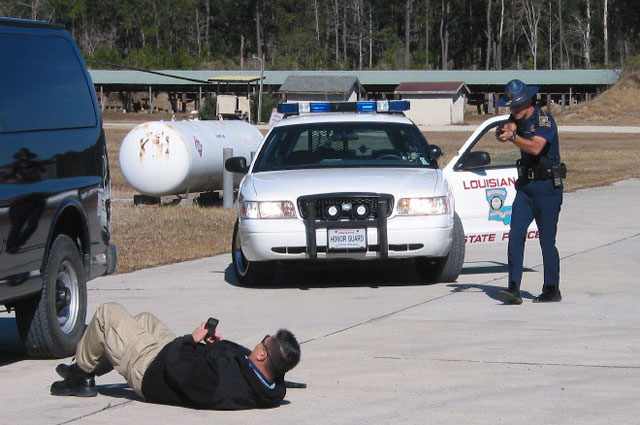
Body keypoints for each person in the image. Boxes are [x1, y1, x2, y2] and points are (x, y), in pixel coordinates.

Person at [50, 303, 301, 410]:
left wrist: (191, 339)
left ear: (261, 356)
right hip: (171, 359)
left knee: (107, 314)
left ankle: (79, 376)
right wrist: (219, 345)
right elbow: (235, 362)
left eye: (263, 341)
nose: (259, 342)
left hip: (150, 370)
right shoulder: (268, 384)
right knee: (144, 320)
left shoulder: (220, 382)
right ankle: (89, 365)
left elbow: (177, 369)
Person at [494, 79, 565, 304]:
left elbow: (535, 147)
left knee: (546, 240)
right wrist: (504, 131)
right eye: (511, 106)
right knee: (515, 234)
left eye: (517, 105)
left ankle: (552, 288)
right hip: (525, 188)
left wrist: (513, 137)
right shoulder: (516, 118)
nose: (513, 110)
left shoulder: (545, 121)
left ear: (528, 101)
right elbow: (505, 129)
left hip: (546, 188)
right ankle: (513, 288)